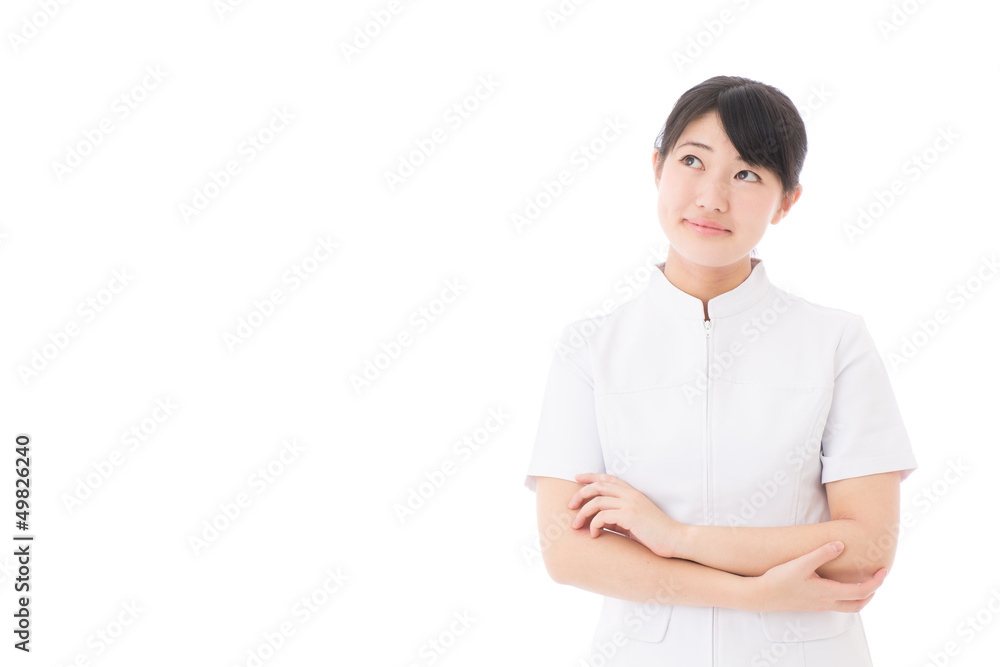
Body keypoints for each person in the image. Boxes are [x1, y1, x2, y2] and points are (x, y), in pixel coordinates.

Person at [523, 75, 918, 666]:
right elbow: (568, 552)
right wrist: (748, 592)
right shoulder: (590, 350)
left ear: (788, 201)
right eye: (692, 160)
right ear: (657, 167)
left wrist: (676, 538)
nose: (711, 197)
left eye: (747, 173)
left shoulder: (836, 341)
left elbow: (865, 545)